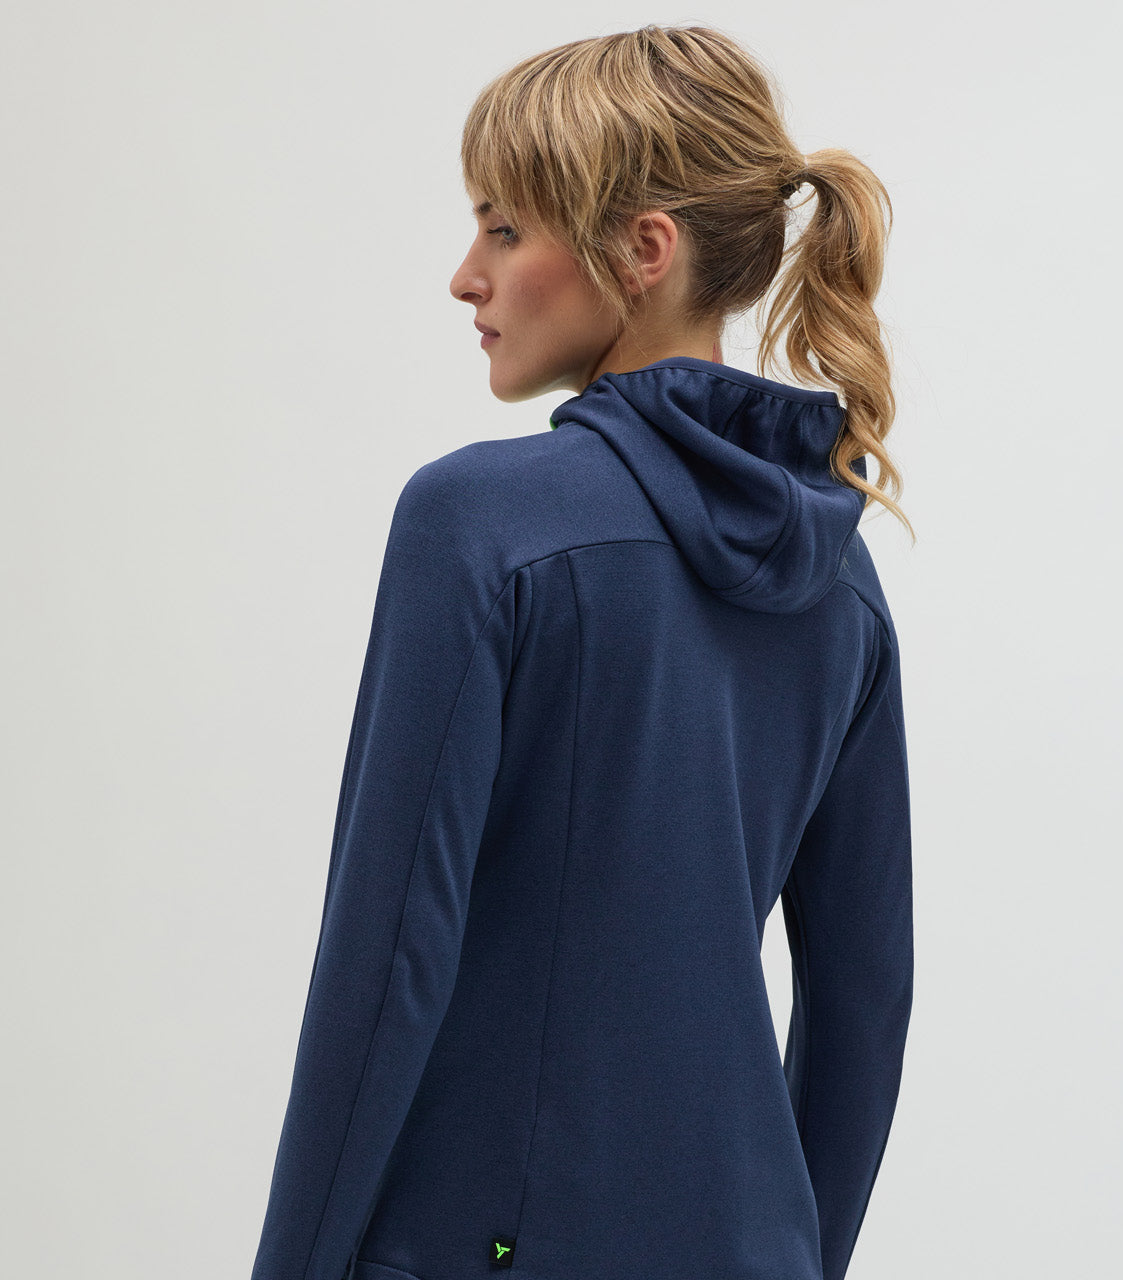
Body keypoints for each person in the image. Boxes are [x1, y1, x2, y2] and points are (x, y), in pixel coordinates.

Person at [250, 23, 914, 1280]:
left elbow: (386, 959)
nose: (465, 276)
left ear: (642, 250)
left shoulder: (476, 521)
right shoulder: (843, 582)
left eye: (504, 229)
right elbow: (865, 999)